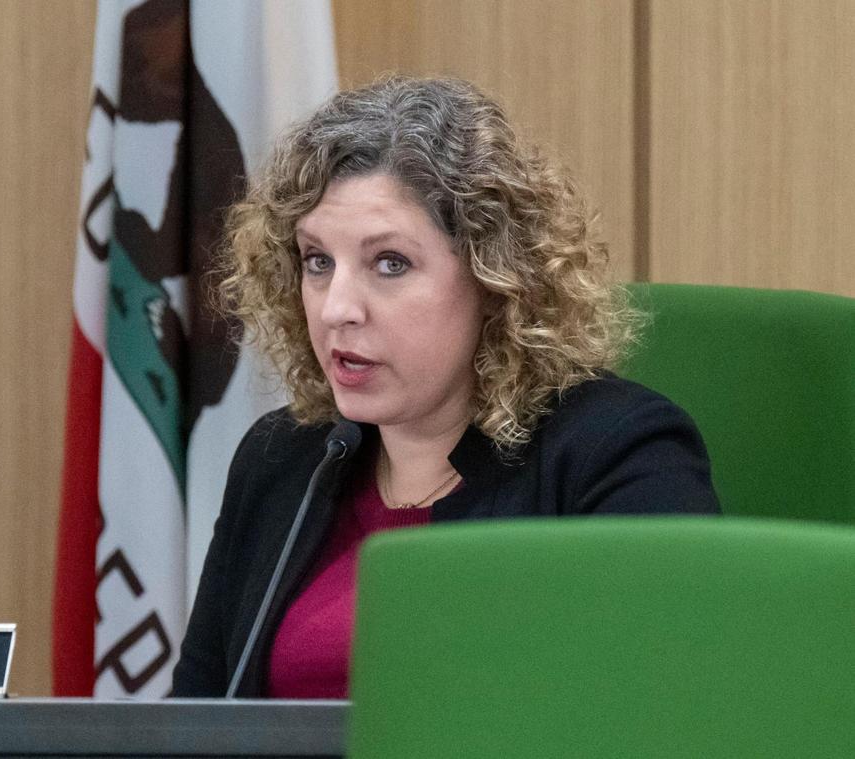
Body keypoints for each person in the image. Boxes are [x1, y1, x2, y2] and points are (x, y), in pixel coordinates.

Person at [171, 76, 719, 699]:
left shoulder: (616, 455)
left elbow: (666, 709)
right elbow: (196, 718)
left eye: (390, 263)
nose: (335, 309)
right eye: (317, 261)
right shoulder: (281, 460)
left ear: (497, 279)